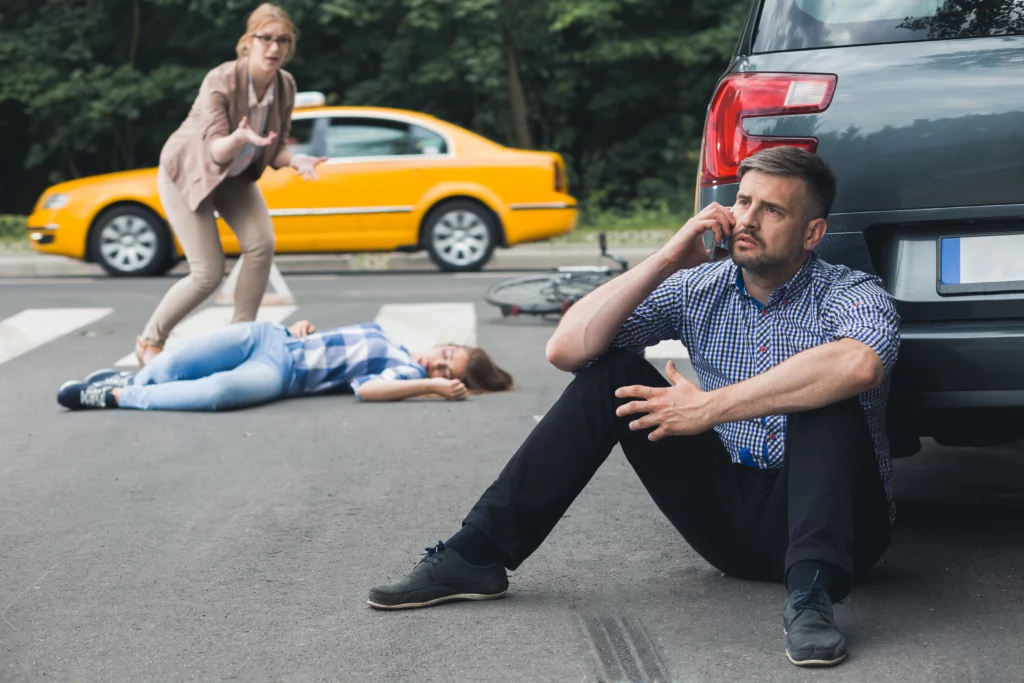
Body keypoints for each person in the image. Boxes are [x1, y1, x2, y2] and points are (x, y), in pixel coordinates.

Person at [365, 146, 901, 669]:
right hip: (734, 523)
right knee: (610, 372)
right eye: (743, 202)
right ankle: (477, 553)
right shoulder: (698, 289)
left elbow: (858, 367)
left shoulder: (850, 293)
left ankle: (811, 597)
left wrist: (709, 408)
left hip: (843, 531)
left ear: (812, 233)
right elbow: (567, 348)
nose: (748, 220)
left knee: (824, 390)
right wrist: (668, 258)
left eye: (772, 210)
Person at [134, 3, 327, 367]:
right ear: (248, 42)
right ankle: (149, 341)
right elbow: (215, 150)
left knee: (261, 245)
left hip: (234, 178)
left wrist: (295, 160)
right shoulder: (221, 79)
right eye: (265, 38)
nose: (274, 48)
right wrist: (238, 138)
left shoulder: (285, 85)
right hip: (188, 172)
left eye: (282, 41)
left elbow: (275, 146)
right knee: (207, 273)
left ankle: (243, 338)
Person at [57, 320, 513, 411]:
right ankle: (137, 377)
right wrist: (305, 327)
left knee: (217, 393)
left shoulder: (408, 376)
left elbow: (366, 390)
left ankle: (114, 395)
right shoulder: (390, 338)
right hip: (270, 337)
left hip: (283, 375)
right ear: (445, 344)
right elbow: (336, 342)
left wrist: (429, 389)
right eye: (447, 357)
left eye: (447, 374)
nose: (438, 366)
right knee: (175, 360)